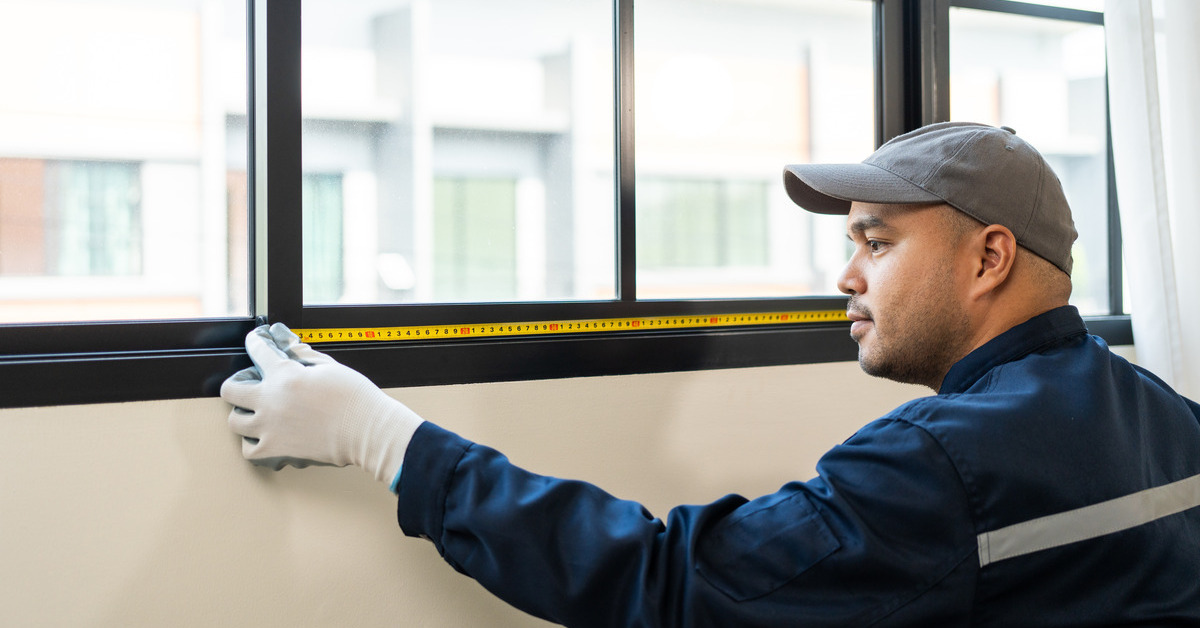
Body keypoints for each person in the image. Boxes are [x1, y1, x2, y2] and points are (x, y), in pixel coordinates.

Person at [221, 122, 1200, 626]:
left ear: (989, 258)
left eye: (876, 241)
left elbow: (666, 586)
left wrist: (384, 437)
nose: (845, 273)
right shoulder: (1167, 412)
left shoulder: (934, 466)